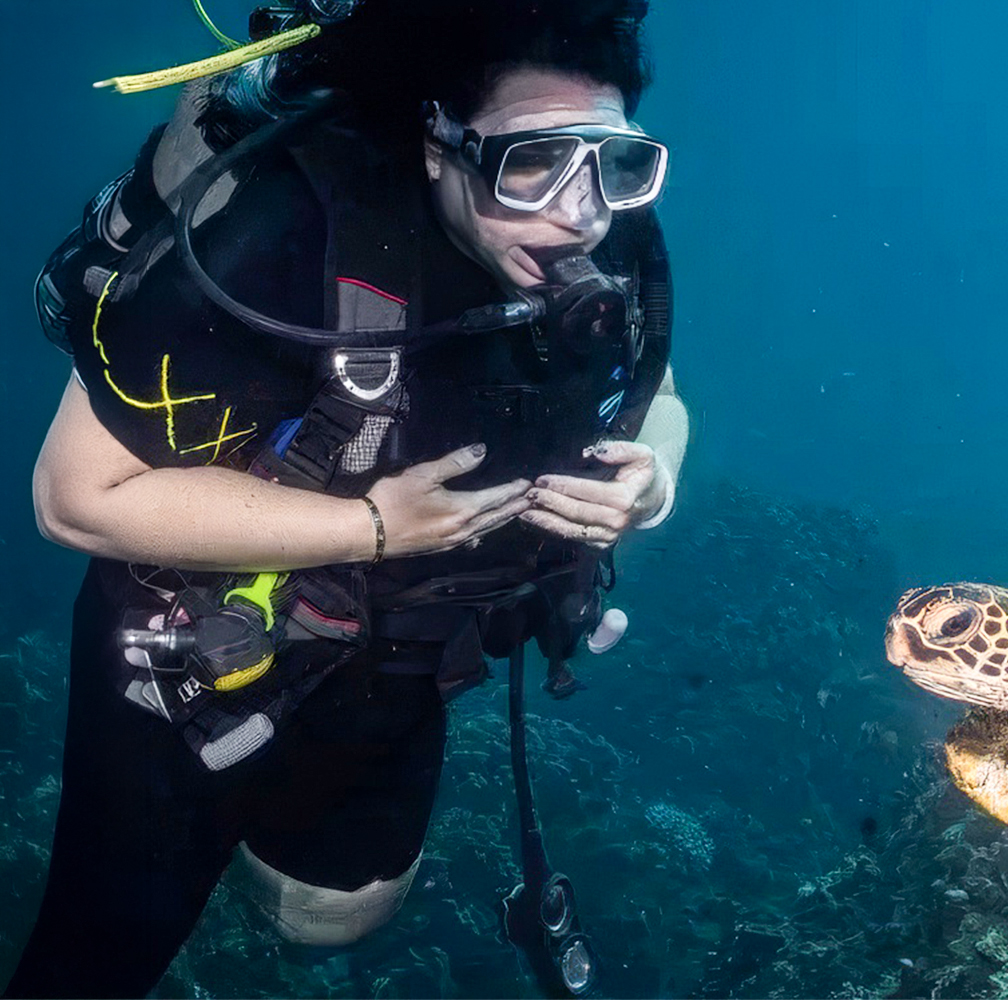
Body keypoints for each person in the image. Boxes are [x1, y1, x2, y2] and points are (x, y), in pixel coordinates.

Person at [8, 1, 684, 996]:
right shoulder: (281, 238)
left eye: (616, 162)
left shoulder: (615, 239)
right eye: (531, 160)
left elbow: (658, 389)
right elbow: (69, 497)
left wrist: (653, 475)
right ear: (437, 146)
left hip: (403, 660)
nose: (581, 212)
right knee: (98, 955)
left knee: (328, 917)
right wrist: (367, 526)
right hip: (182, 664)